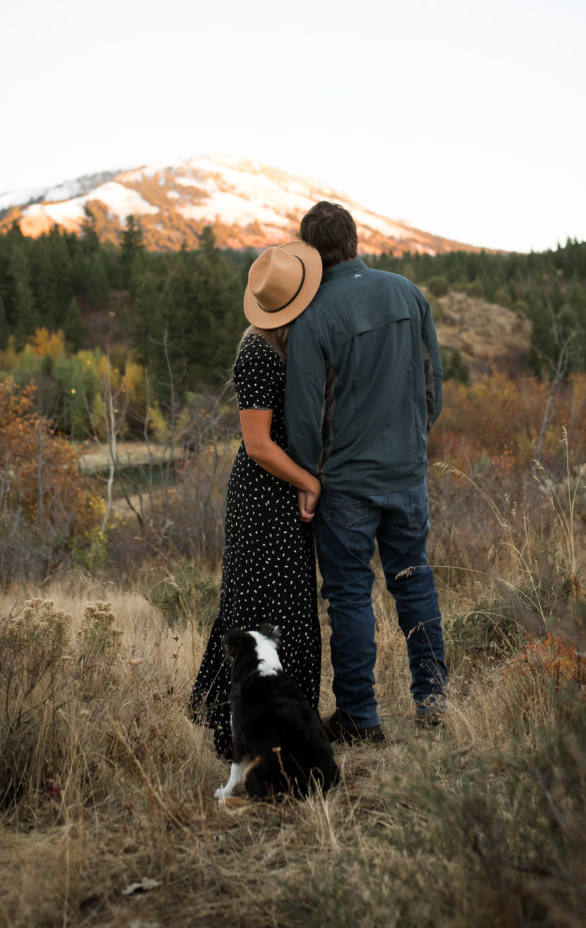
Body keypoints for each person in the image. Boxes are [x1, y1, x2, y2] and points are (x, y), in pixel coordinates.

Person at [284, 201, 447, 744]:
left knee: (350, 596)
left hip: (346, 485)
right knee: (414, 579)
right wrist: (415, 439)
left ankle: (360, 718)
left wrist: (308, 478)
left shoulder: (312, 315)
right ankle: (433, 700)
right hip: (407, 472)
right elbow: (433, 380)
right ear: (355, 240)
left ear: (311, 254)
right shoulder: (406, 291)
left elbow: (303, 414)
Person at [190, 240, 324, 761]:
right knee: (255, 607)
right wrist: (309, 482)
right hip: (262, 495)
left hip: (279, 490)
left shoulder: (287, 345)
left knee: (290, 608)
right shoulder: (257, 353)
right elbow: (258, 446)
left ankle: (290, 723)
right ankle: (240, 730)